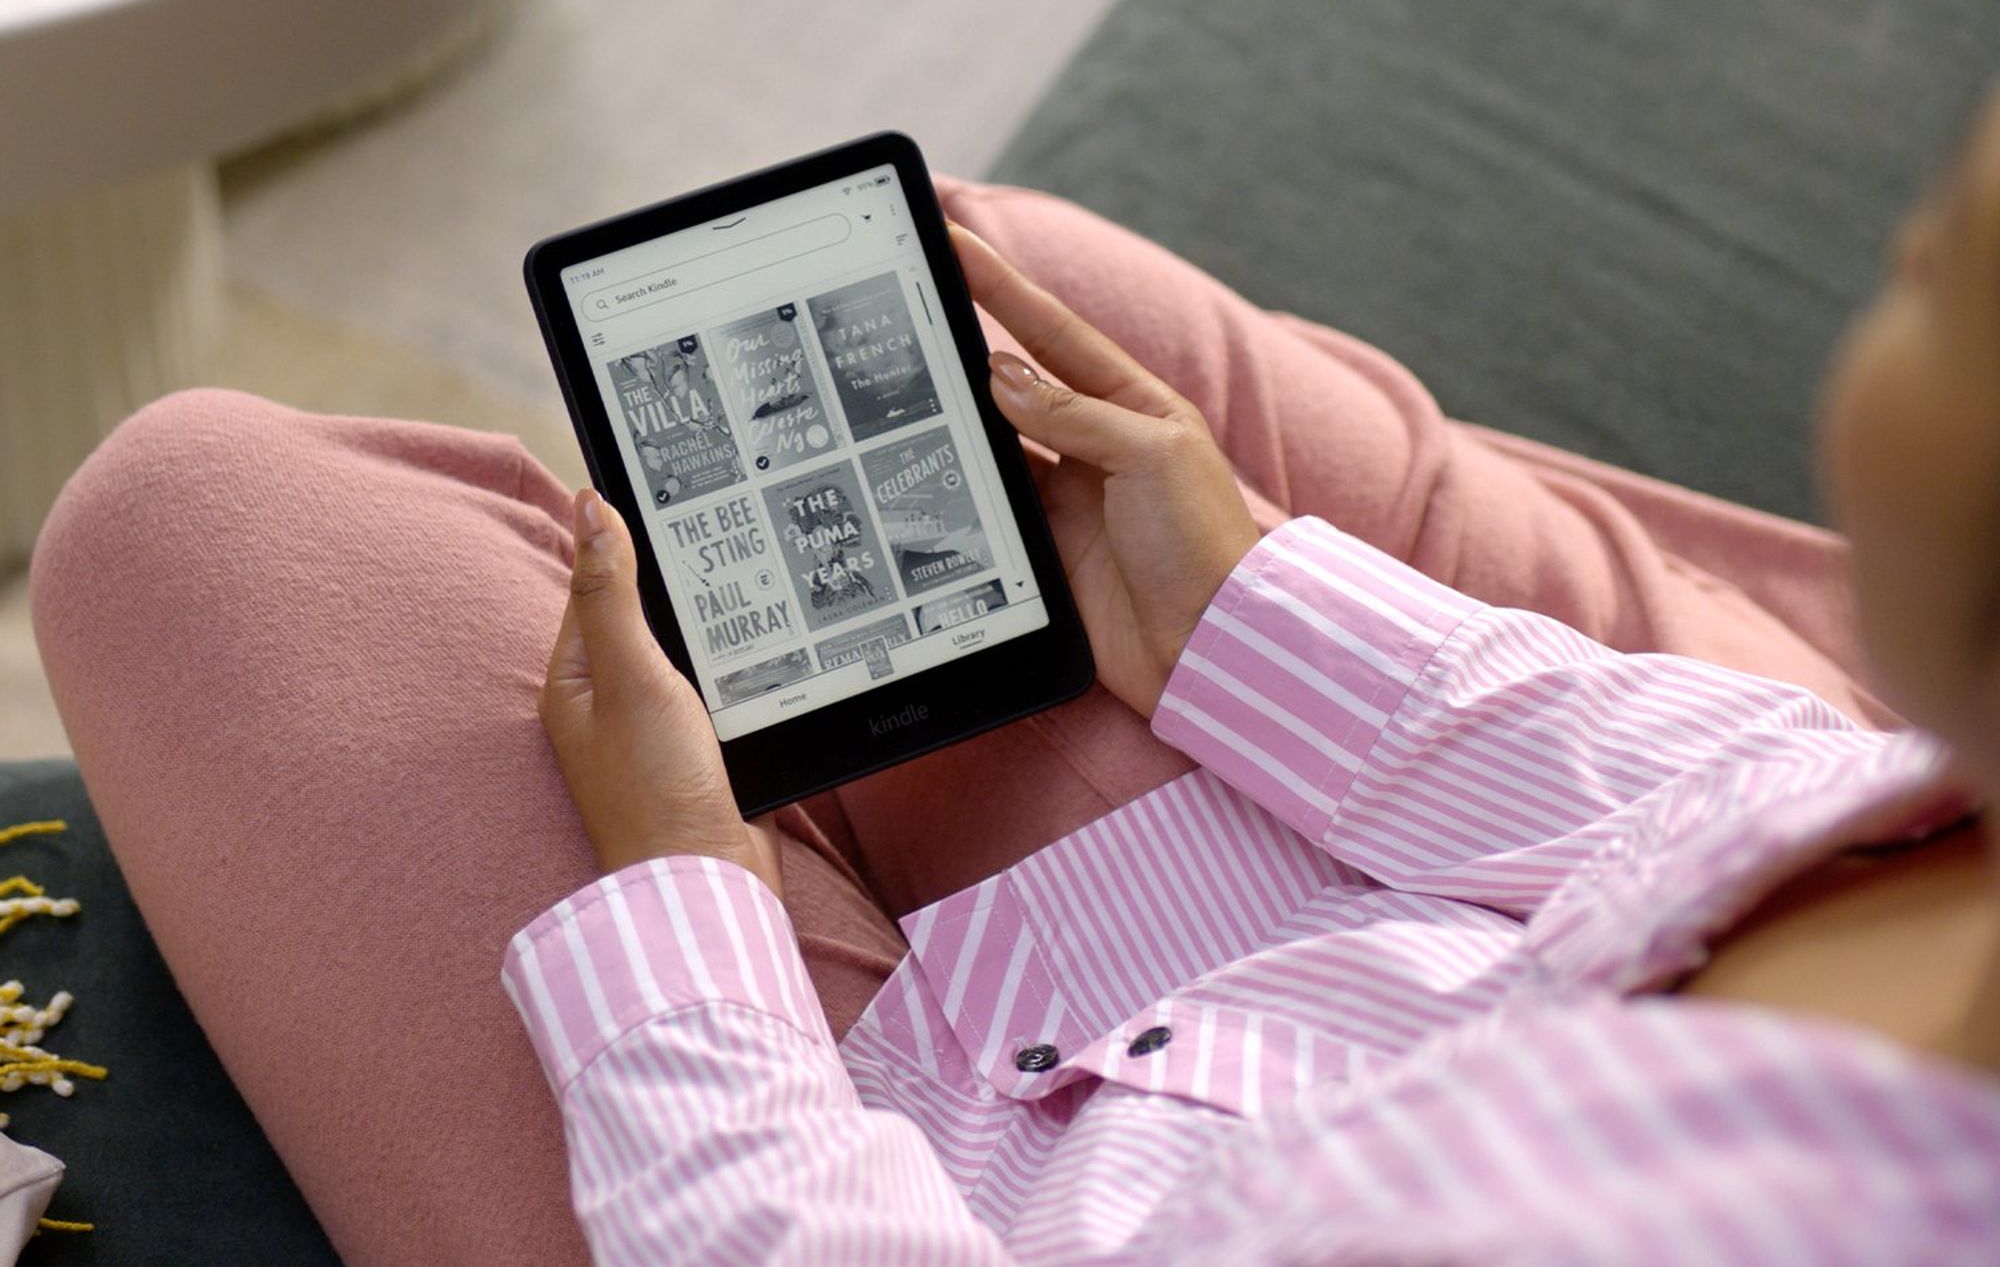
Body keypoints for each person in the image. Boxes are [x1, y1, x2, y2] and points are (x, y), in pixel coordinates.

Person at [27, 126, 1985, 1262]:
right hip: (1393, 930)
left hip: (926, 1188)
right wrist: (1247, 616)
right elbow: (1738, 801)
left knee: (188, 525)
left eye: (1946, 279)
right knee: (976, 280)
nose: (1907, 239)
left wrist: (680, 918)